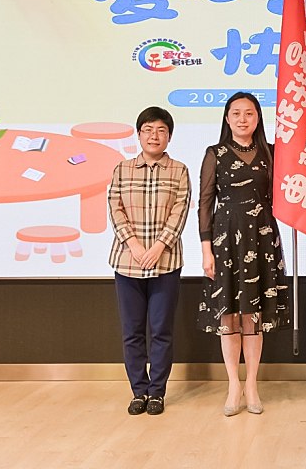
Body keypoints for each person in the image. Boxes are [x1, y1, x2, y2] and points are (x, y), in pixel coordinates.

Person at [197, 92, 289, 416]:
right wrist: (206, 250)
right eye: (236, 113)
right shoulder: (215, 154)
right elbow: (205, 204)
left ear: (258, 118)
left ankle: (251, 384)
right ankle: (233, 384)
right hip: (225, 241)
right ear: (227, 118)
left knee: (254, 315)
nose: (242, 119)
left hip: (262, 239)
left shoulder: (271, 152)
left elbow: (286, 194)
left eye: (249, 113)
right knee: (229, 316)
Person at [108, 106, 191, 416]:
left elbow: (180, 212)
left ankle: (157, 392)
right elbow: (115, 209)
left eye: (161, 131)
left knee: (161, 331)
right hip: (127, 262)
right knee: (132, 332)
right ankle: (138, 391)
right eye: (148, 130)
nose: (154, 136)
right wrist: (133, 244)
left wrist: (158, 247)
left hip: (165, 262)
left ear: (169, 136)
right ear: (139, 134)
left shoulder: (179, 170)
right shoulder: (122, 169)